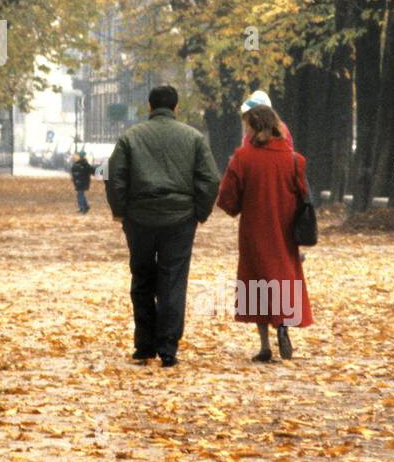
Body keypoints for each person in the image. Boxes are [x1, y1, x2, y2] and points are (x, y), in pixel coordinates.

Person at [105, 85, 220, 367]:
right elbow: (210, 179)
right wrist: (200, 212)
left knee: (142, 277)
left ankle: (144, 345)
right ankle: (168, 346)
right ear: (176, 108)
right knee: (173, 280)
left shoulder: (130, 138)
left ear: (149, 107)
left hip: (140, 217)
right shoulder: (193, 138)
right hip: (180, 218)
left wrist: (120, 211)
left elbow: (114, 176)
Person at [215, 103, 314, 362]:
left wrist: (236, 206)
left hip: (254, 227)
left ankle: (264, 345)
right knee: (283, 275)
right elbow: (303, 193)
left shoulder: (243, 158)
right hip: (285, 227)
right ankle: (283, 325)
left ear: (253, 127)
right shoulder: (294, 159)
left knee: (256, 279)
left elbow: (227, 197)